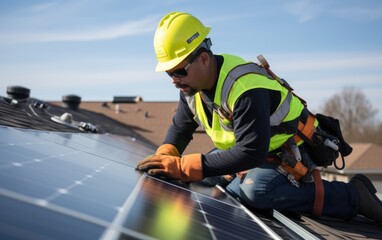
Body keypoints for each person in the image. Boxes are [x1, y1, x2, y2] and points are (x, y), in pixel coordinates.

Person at [136, 11, 382, 225]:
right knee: (205, 175)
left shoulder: (244, 88)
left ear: (203, 58)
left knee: (255, 191)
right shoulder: (191, 88)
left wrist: (183, 167)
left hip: (293, 149)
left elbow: (252, 151)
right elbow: (180, 128)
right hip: (257, 151)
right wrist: (167, 154)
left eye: (179, 70)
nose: (174, 79)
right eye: (169, 72)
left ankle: (353, 196)